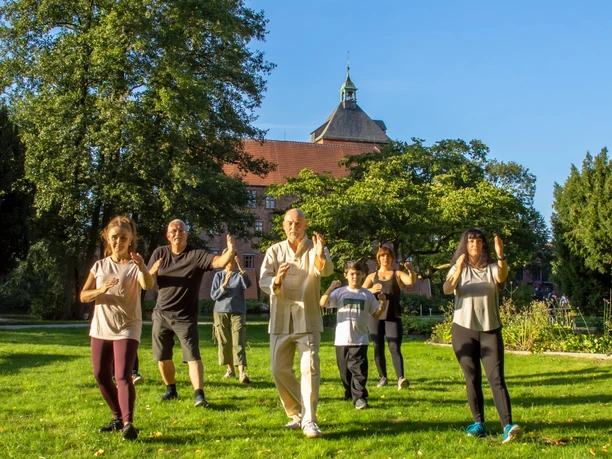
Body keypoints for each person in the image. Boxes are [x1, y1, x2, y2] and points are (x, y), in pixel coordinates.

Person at [80, 216, 156, 441]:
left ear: (131, 239)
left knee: (122, 375)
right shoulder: (100, 266)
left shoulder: (135, 265)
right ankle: (118, 418)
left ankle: (128, 424)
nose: (119, 242)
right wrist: (101, 290)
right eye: (114, 237)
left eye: (124, 238)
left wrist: (143, 267)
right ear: (107, 238)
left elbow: (148, 284)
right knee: (101, 375)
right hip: (101, 327)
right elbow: (84, 295)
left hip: (127, 327)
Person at [443, 228, 522, 444]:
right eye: (470, 241)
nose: (474, 245)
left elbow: (502, 276)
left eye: (478, 241)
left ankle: (507, 426)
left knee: (496, 379)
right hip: (463, 329)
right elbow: (447, 289)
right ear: (465, 245)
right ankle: (479, 423)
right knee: (472, 378)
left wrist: (501, 255)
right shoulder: (458, 267)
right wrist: (458, 269)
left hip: (490, 329)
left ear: (483, 245)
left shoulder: (492, 267)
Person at [260, 208, 334, 439]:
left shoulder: (316, 248)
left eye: (298, 223)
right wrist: (276, 280)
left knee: (309, 369)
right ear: (283, 226)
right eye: (290, 223)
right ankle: (297, 413)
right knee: (278, 369)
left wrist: (320, 255)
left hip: (307, 319)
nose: (294, 227)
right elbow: (263, 280)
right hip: (281, 319)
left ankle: (310, 420)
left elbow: (326, 271)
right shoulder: (274, 250)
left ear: (305, 225)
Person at [148, 219, 235, 408]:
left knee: (192, 356)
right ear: (168, 235)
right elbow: (147, 283)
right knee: (162, 356)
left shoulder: (195, 255)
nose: (177, 233)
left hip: (185, 316)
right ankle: (170, 390)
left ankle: (199, 395)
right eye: (173, 231)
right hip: (162, 314)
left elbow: (218, 262)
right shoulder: (159, 253)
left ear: (186, 234)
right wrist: (150, 272)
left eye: (181, 230)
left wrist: (230, 252)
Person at [320, 261, 388, 410]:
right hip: (341, 340)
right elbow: (322, 302)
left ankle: (360, 397)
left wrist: (382, 303)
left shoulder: (367, 294)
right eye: (352, 274)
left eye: (358, 274)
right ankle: (349, 392)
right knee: (344, 372)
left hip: (360, 339)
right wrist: (331, 288)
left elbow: (376, 314)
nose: (355, 277)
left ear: (362, 275)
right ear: (346, 275)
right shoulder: (340, 292)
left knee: (359, 371)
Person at [362, 246, 415, 390]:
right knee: (378, 347)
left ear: (392, 258)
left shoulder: (397, 274)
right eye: (382, 256)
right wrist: (371, 290)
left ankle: (400, 378)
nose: (385, 258)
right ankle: (383, 378)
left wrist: (411, 271)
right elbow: (360, 292)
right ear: (378, 259)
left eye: (388, 256)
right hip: (375, 316)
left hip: (393, 316)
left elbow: (410, 281)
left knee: (394, 347)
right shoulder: (372, 276)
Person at [210, 253, 252, 383]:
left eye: (232, 260)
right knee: (224, 341)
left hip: (238, 311)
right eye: (228, 259)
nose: (230, 262)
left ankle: (242, 373)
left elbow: (247, 284)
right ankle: (230, 370)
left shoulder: (239, 275)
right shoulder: (218, 275)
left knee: (238, 341)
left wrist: (241, 267)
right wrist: (224, 284)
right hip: (220, 312)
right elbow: (214, 295)